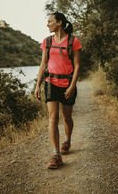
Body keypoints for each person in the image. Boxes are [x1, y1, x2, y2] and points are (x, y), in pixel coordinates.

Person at [34, 11, 82, 169]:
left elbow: (77, 66)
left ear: (59, 22)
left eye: (50, 21)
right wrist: (38, 85)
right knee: (52, 118)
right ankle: (56, 155)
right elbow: (43, 65)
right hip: (51, 83)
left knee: (67, 117)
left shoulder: (73, 41)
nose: (47, 24)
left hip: (67, 83)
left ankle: (67, 140)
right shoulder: (47, 42)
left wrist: (72, 86)